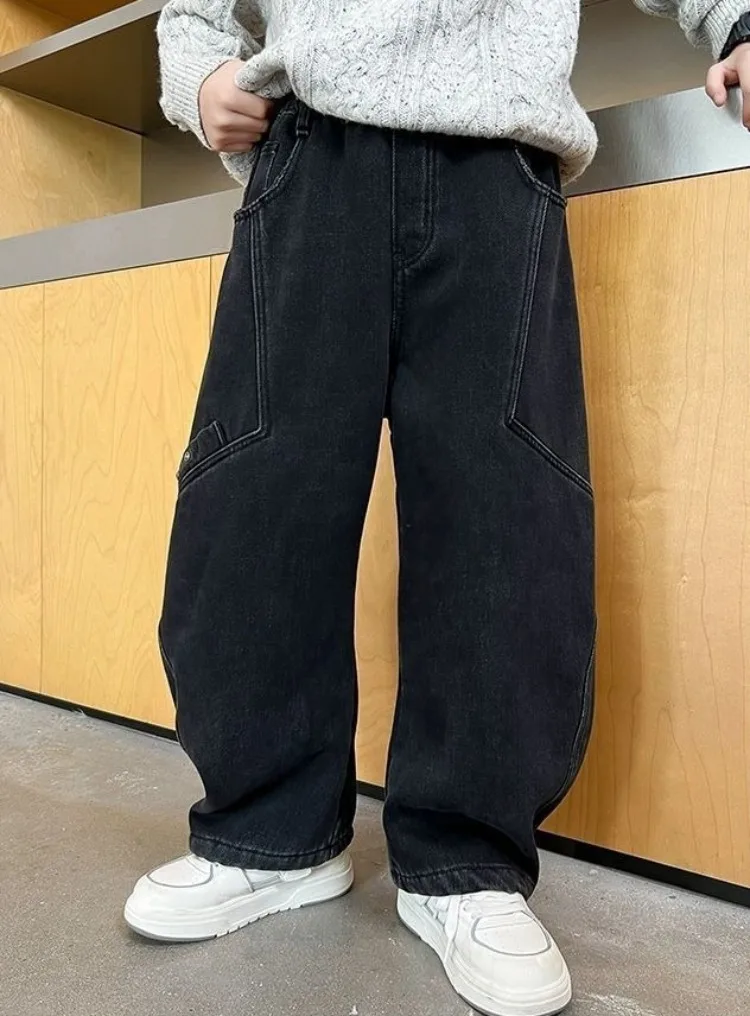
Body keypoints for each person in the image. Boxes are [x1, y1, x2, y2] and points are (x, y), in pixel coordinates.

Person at [124, 3, 750, 1013]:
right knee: (257, 499)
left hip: (497, 157)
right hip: (310, 152)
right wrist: (197, 80)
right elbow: (194, 11)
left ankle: (467, 860)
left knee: (502, 507)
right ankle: (266, 833)